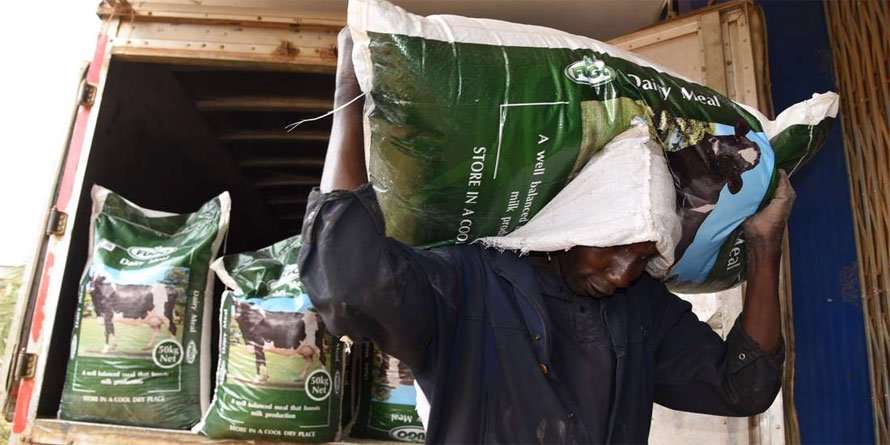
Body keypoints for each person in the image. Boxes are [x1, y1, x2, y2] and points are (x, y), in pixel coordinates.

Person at [298, 29, 794, 444]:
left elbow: (744, 387)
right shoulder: (468, 284)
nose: (623, 275)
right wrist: (348, 98)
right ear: (571, 226)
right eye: (615, 249)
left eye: (643, 258)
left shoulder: (642, 311)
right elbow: (347, 285)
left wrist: (764, 245)